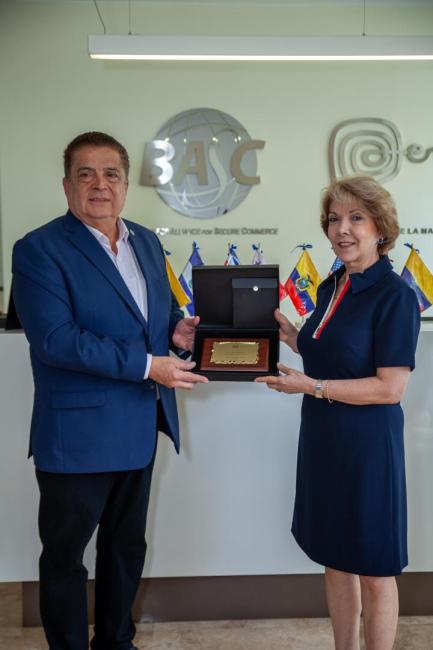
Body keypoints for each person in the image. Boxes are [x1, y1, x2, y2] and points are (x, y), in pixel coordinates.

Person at [12, 131, 208, 650]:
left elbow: (155, 315)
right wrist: (149, 364)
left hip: (139, 426)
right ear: (67, 185)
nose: (99, 185)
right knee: (65, 558)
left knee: (125, 549)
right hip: (76, 436)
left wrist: (175, 331)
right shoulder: (38, 249)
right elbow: (56, 339)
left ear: (125, 184)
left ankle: (117, 642)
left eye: (111, 174)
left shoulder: (146, 241)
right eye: (86, 174)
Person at [256, 176, 420, 650]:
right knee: (335, 559)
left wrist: (311, 387)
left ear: (380, 228)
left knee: (375, 569)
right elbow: (332, 351)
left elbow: (390, 388)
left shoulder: (395, 296)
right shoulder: (332, 285)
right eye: (334, 219)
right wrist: (291, 337)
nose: (341, 229)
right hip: (324, 440)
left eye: (356, 218)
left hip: (367, 449)